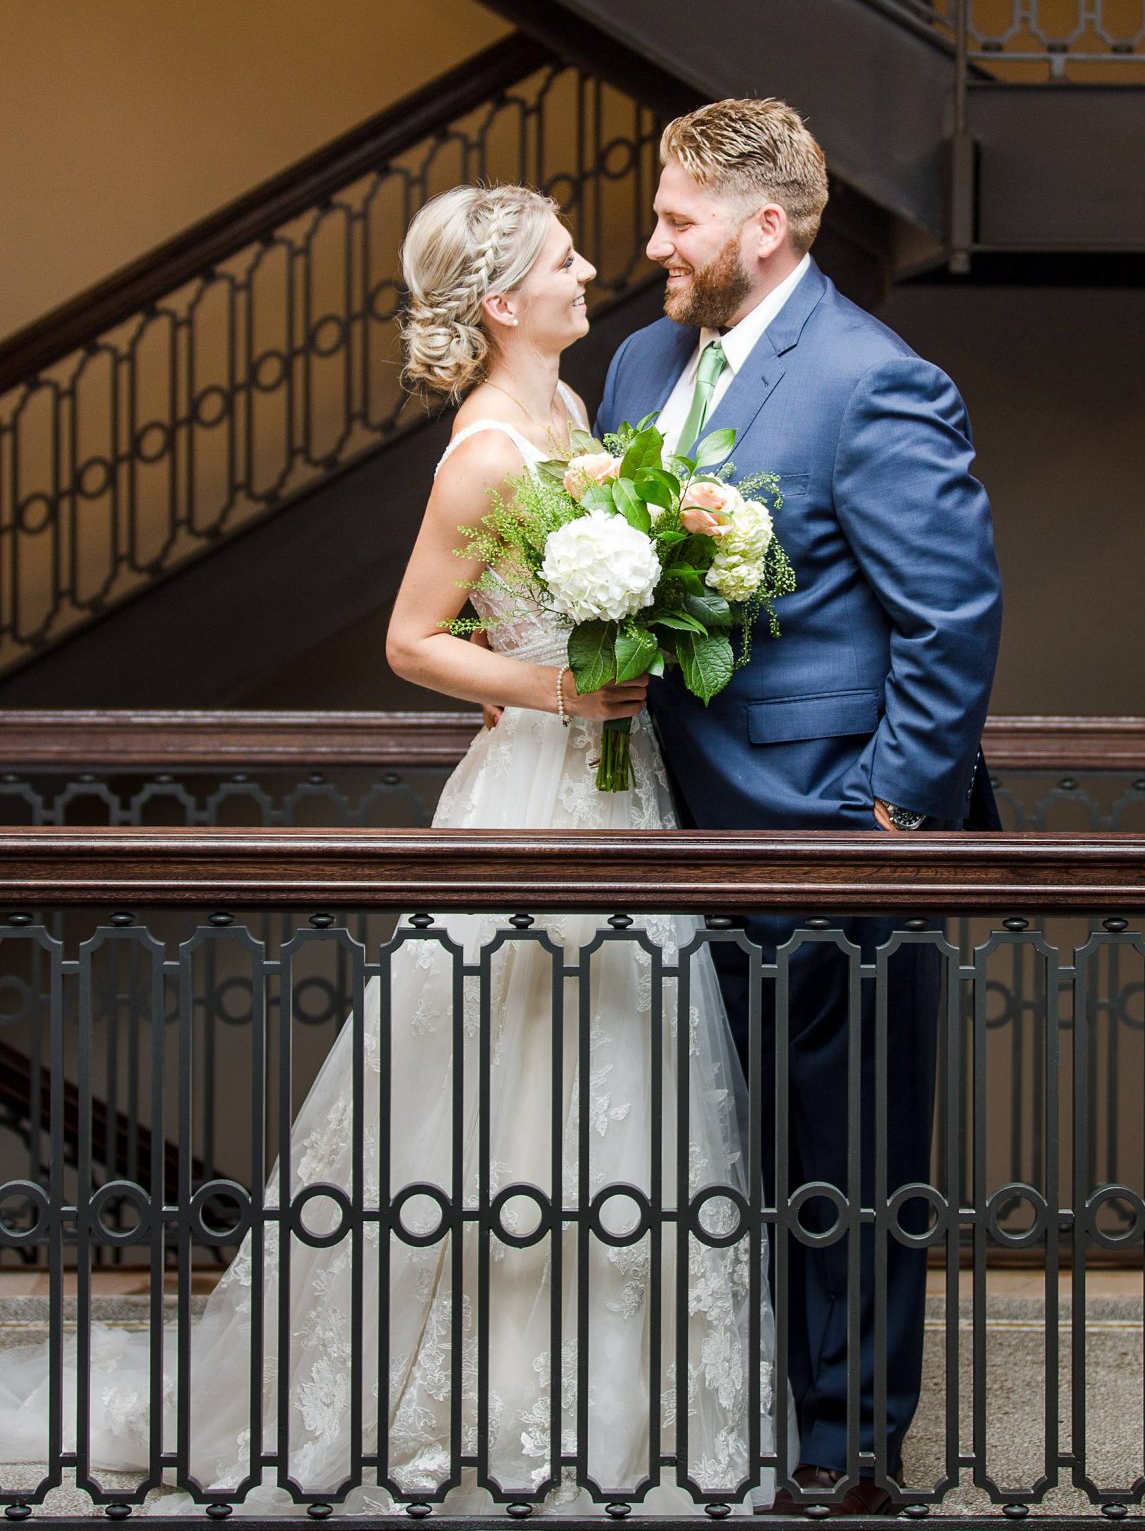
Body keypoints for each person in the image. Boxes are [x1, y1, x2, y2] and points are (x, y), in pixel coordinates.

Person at [0, 183, 776, 1515]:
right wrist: (551, 688)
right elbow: (412, 639)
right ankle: (454, 1398)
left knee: (611, 1082)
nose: (589, 268)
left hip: (615, 786)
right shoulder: (481, 450)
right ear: (501, 303)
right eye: (561, 259)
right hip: (534, 794)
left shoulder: (575, 418)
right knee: (488, 1094)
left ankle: (610, 1403)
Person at [596, 101, 1003, 1514]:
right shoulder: (644, 361)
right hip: (667, 822)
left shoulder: (873, 379)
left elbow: (947, 620)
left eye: (676, 220)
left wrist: (889, 813)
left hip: (829, 829)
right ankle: (727, 1412)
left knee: (848, 1154)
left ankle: (846, 1443)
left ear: (762, 228)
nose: (651, 245)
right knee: (713, 1143)